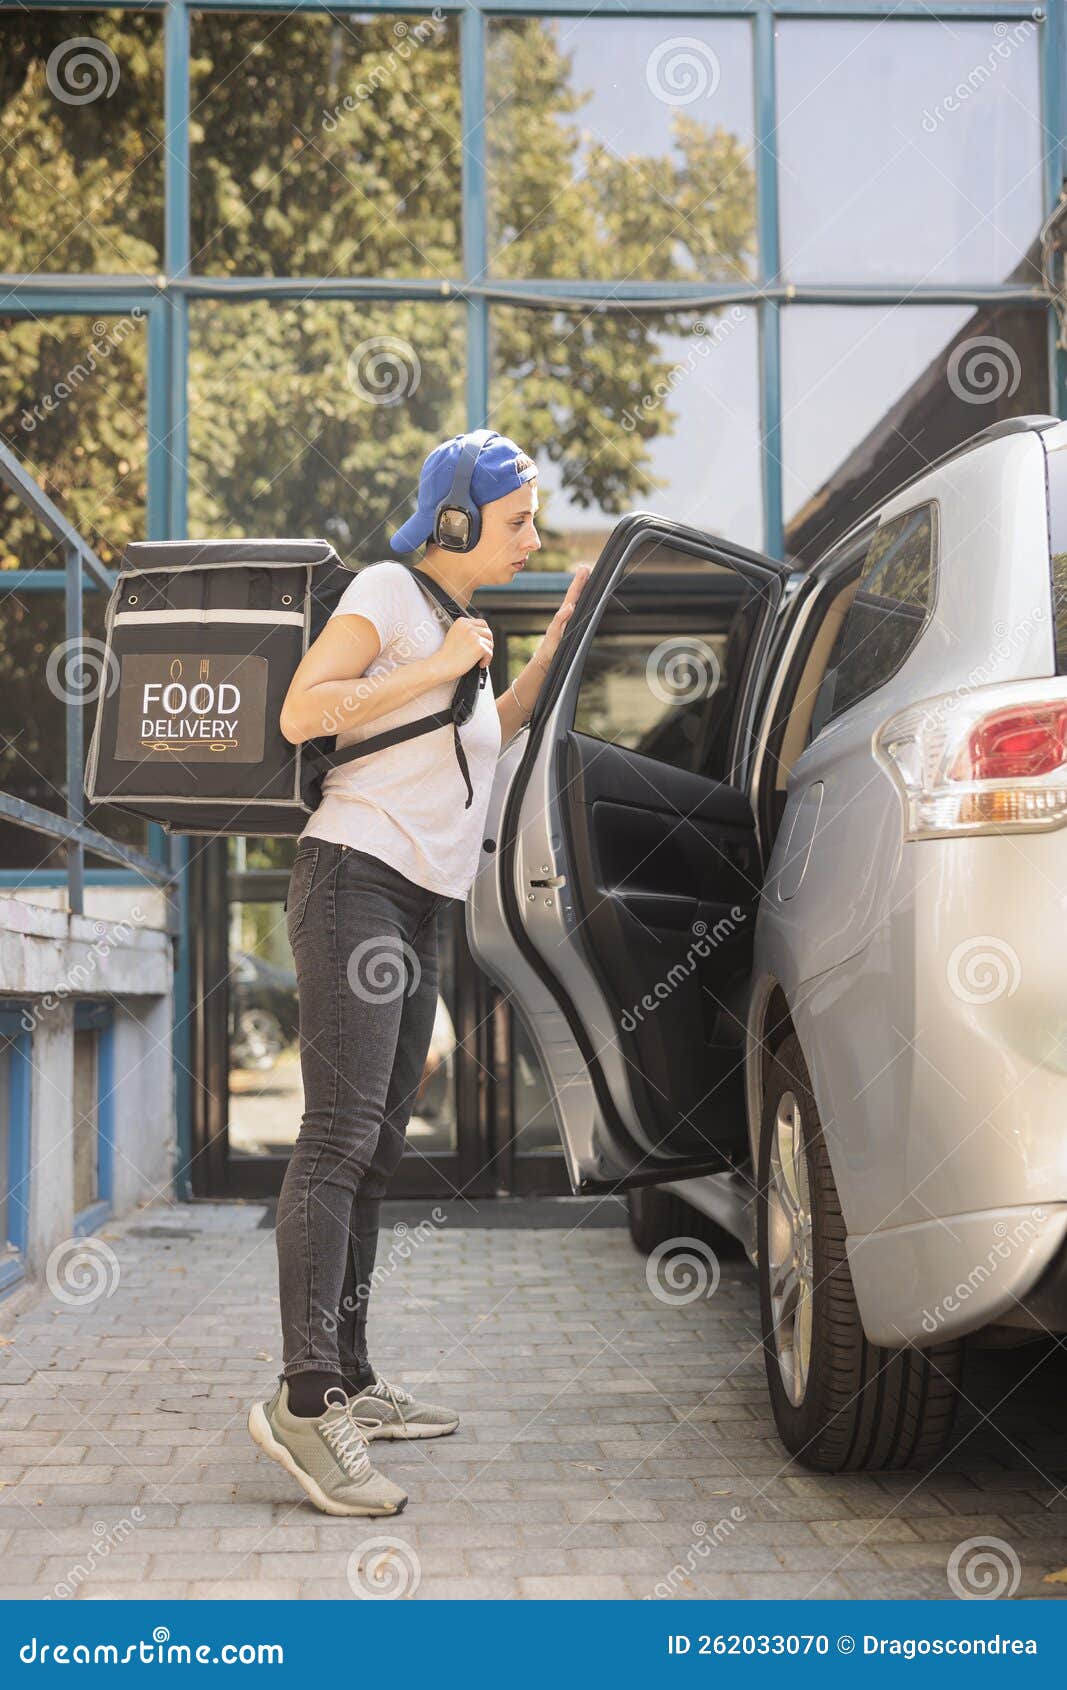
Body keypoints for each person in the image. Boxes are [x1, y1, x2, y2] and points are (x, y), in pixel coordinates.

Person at [247, 431, 590, 1517]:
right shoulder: (389, 592)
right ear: (454, 522)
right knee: (338, 1135)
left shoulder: (453, 628)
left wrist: (547, 646)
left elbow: (496, 729)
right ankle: (305, 1401)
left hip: (416, 897)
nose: (530, 536)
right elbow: (306, 710)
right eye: (517, 519)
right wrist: (442, 665)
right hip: (355, 879)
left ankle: (346, 1374)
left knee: (379, 1144)